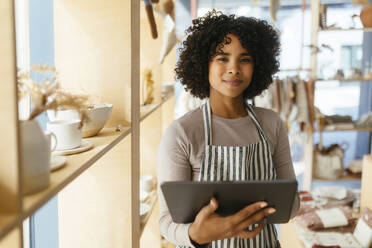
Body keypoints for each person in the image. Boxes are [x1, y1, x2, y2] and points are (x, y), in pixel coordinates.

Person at [157, 10, 300, 248]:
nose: (234, 69)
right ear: (204, 64)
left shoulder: (272, 123)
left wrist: (279, 204)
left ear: (257, 66)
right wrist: (196, 234)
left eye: (244, 59)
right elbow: (166, 221)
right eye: (222, 58)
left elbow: (291, 204)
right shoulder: (182, 132)